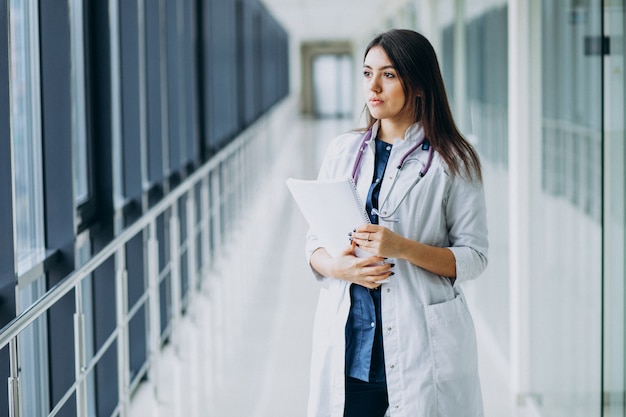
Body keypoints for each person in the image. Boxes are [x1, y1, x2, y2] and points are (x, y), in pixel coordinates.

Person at [304, 29, 488, 417]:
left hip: (421, 345)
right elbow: (313, 244)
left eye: (388, 75)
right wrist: (338, 267)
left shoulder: (454, 160)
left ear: (418, 84)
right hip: (352, 348)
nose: (373, 86)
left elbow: (474, 257)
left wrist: (401, 247)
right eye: (368, 73)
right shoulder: (342, 151)